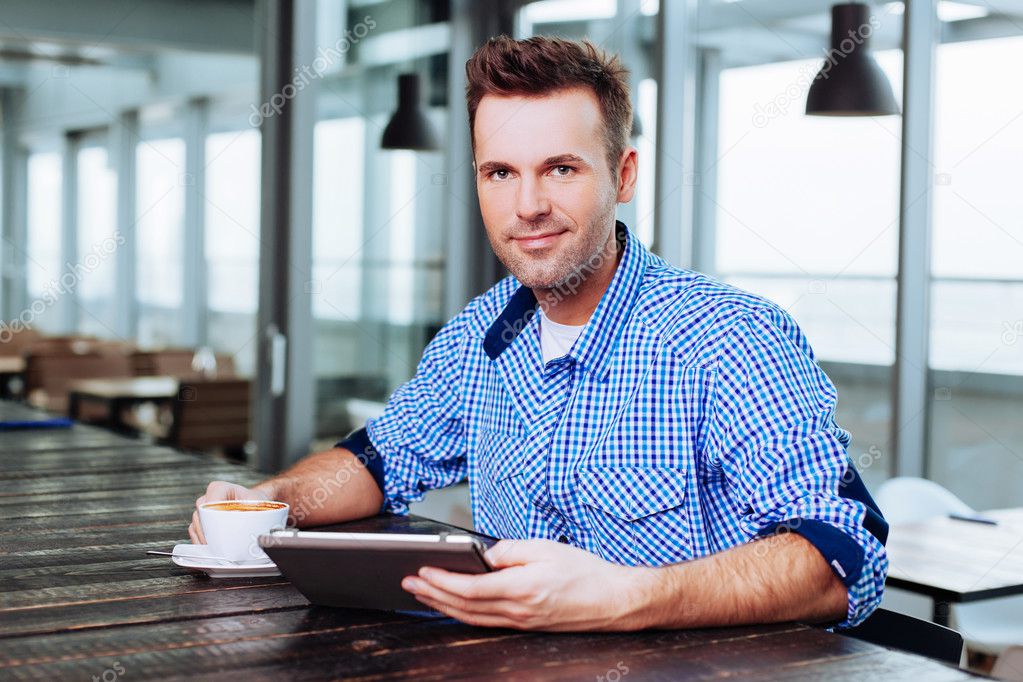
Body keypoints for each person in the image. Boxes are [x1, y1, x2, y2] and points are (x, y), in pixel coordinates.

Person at [189, 35, 888, 632]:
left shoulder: (730, 338)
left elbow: (840, 559)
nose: (528, 206)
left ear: (622, 175)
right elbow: (375, 463)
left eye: (560, 168)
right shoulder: (478, 336)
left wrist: (628, 596)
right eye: (500, 173)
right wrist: (267, 505)